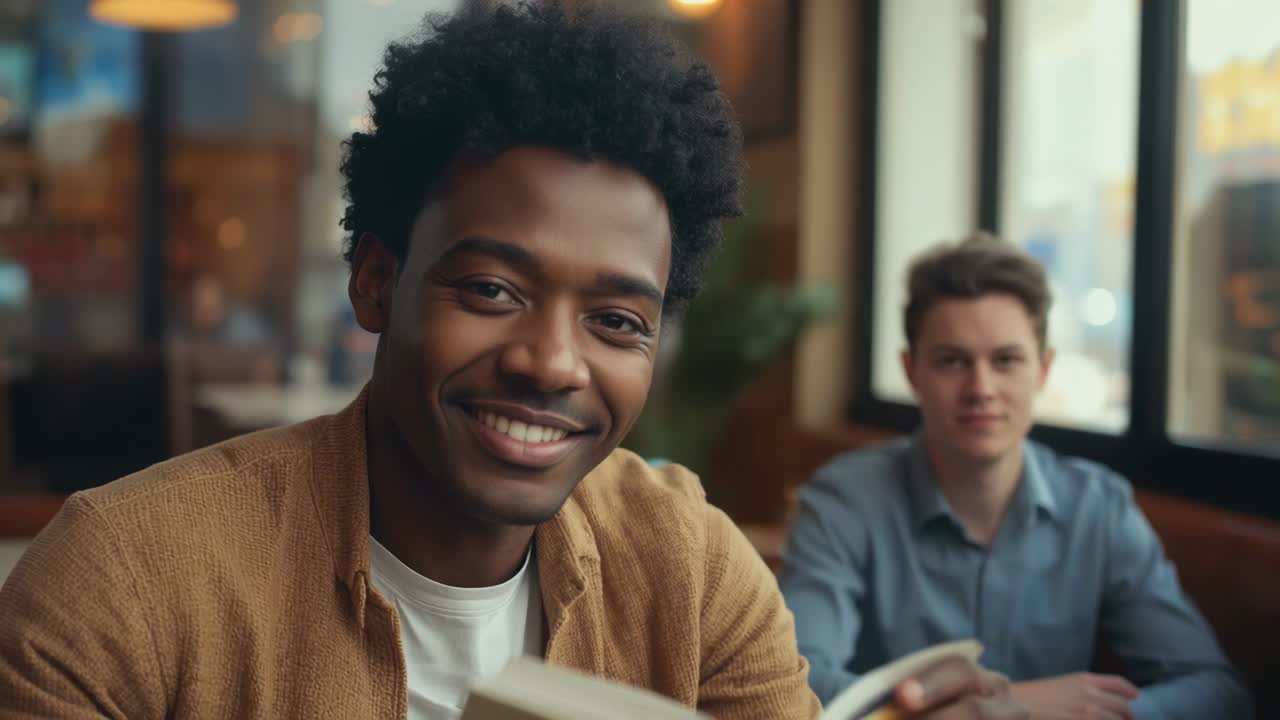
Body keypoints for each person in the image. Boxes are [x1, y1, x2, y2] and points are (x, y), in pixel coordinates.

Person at [0, 5, 1024, 719]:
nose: (551, 362)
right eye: (490, 291)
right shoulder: (119, 583)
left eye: (617, 322)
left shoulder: (692, 573)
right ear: (375, 281)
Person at [780, 233, 1252, 719]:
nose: (981, 389)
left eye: (1006, 360)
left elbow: (1217, 691)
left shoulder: (1099, 507)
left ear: (1043, 370)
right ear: (911, 371)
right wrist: (1008, 707)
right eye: (952, 361)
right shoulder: (841, 500)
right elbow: (794, 682)